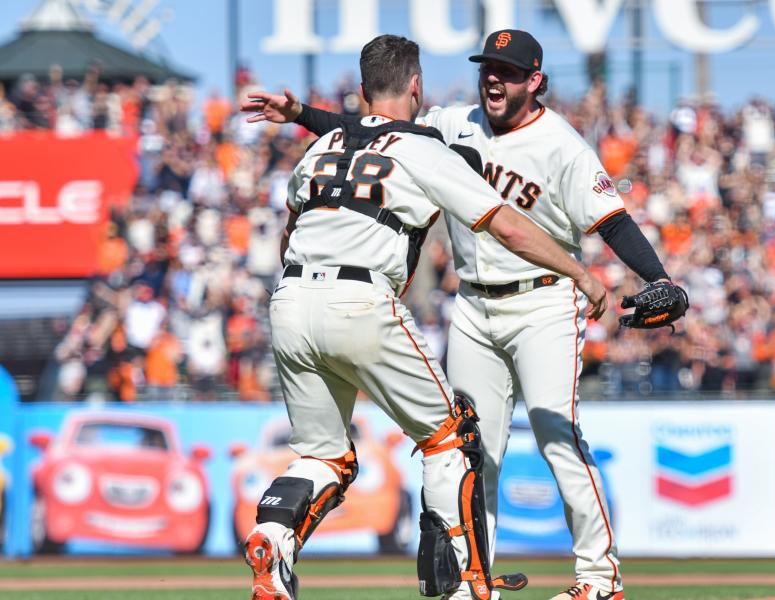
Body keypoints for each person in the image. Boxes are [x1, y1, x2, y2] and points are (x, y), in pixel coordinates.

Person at [243, 30, 683, 600]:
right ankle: (470, 580)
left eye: (507, 69)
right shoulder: (453, 124)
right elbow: (370, 131)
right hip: (473, 304)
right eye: (487, 67)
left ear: (535, 80)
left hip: (543, 297)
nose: (494, 78)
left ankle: (598, 578)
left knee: (556, 437)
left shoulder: (563, 145)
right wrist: (302, 112)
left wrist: (659, 278)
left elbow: (614, 222)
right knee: (475, 450)